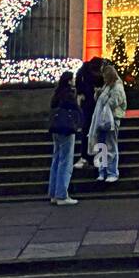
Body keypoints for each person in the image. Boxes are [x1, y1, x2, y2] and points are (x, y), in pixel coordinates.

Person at [90, 63, 127, 182]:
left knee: (110, 145)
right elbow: (100, 101)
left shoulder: (117, 87)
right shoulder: (107, 86)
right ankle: (102, 170)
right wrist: (98, 94)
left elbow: (113, 102)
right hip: (102, 119)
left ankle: (112, 172)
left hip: (112, 120)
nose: (103, 79)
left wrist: (102, 96)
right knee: (102, 146)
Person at [48, 71, 80, 205]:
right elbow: (76, 109)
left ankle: (54, 192)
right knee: (66, 160)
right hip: (66, 128)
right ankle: (62, 194)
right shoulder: (69, 94)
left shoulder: (57, 94)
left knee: (56, 159)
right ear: (69, 81)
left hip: (56, 127)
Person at [73, 57, 104, 169]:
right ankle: (87, 156)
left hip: (96, 104)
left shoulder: (99, 71)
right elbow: (78, 82)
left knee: (97, 131)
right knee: (88, 130)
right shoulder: (85, 72)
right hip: (90, 103)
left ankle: (97, 157)